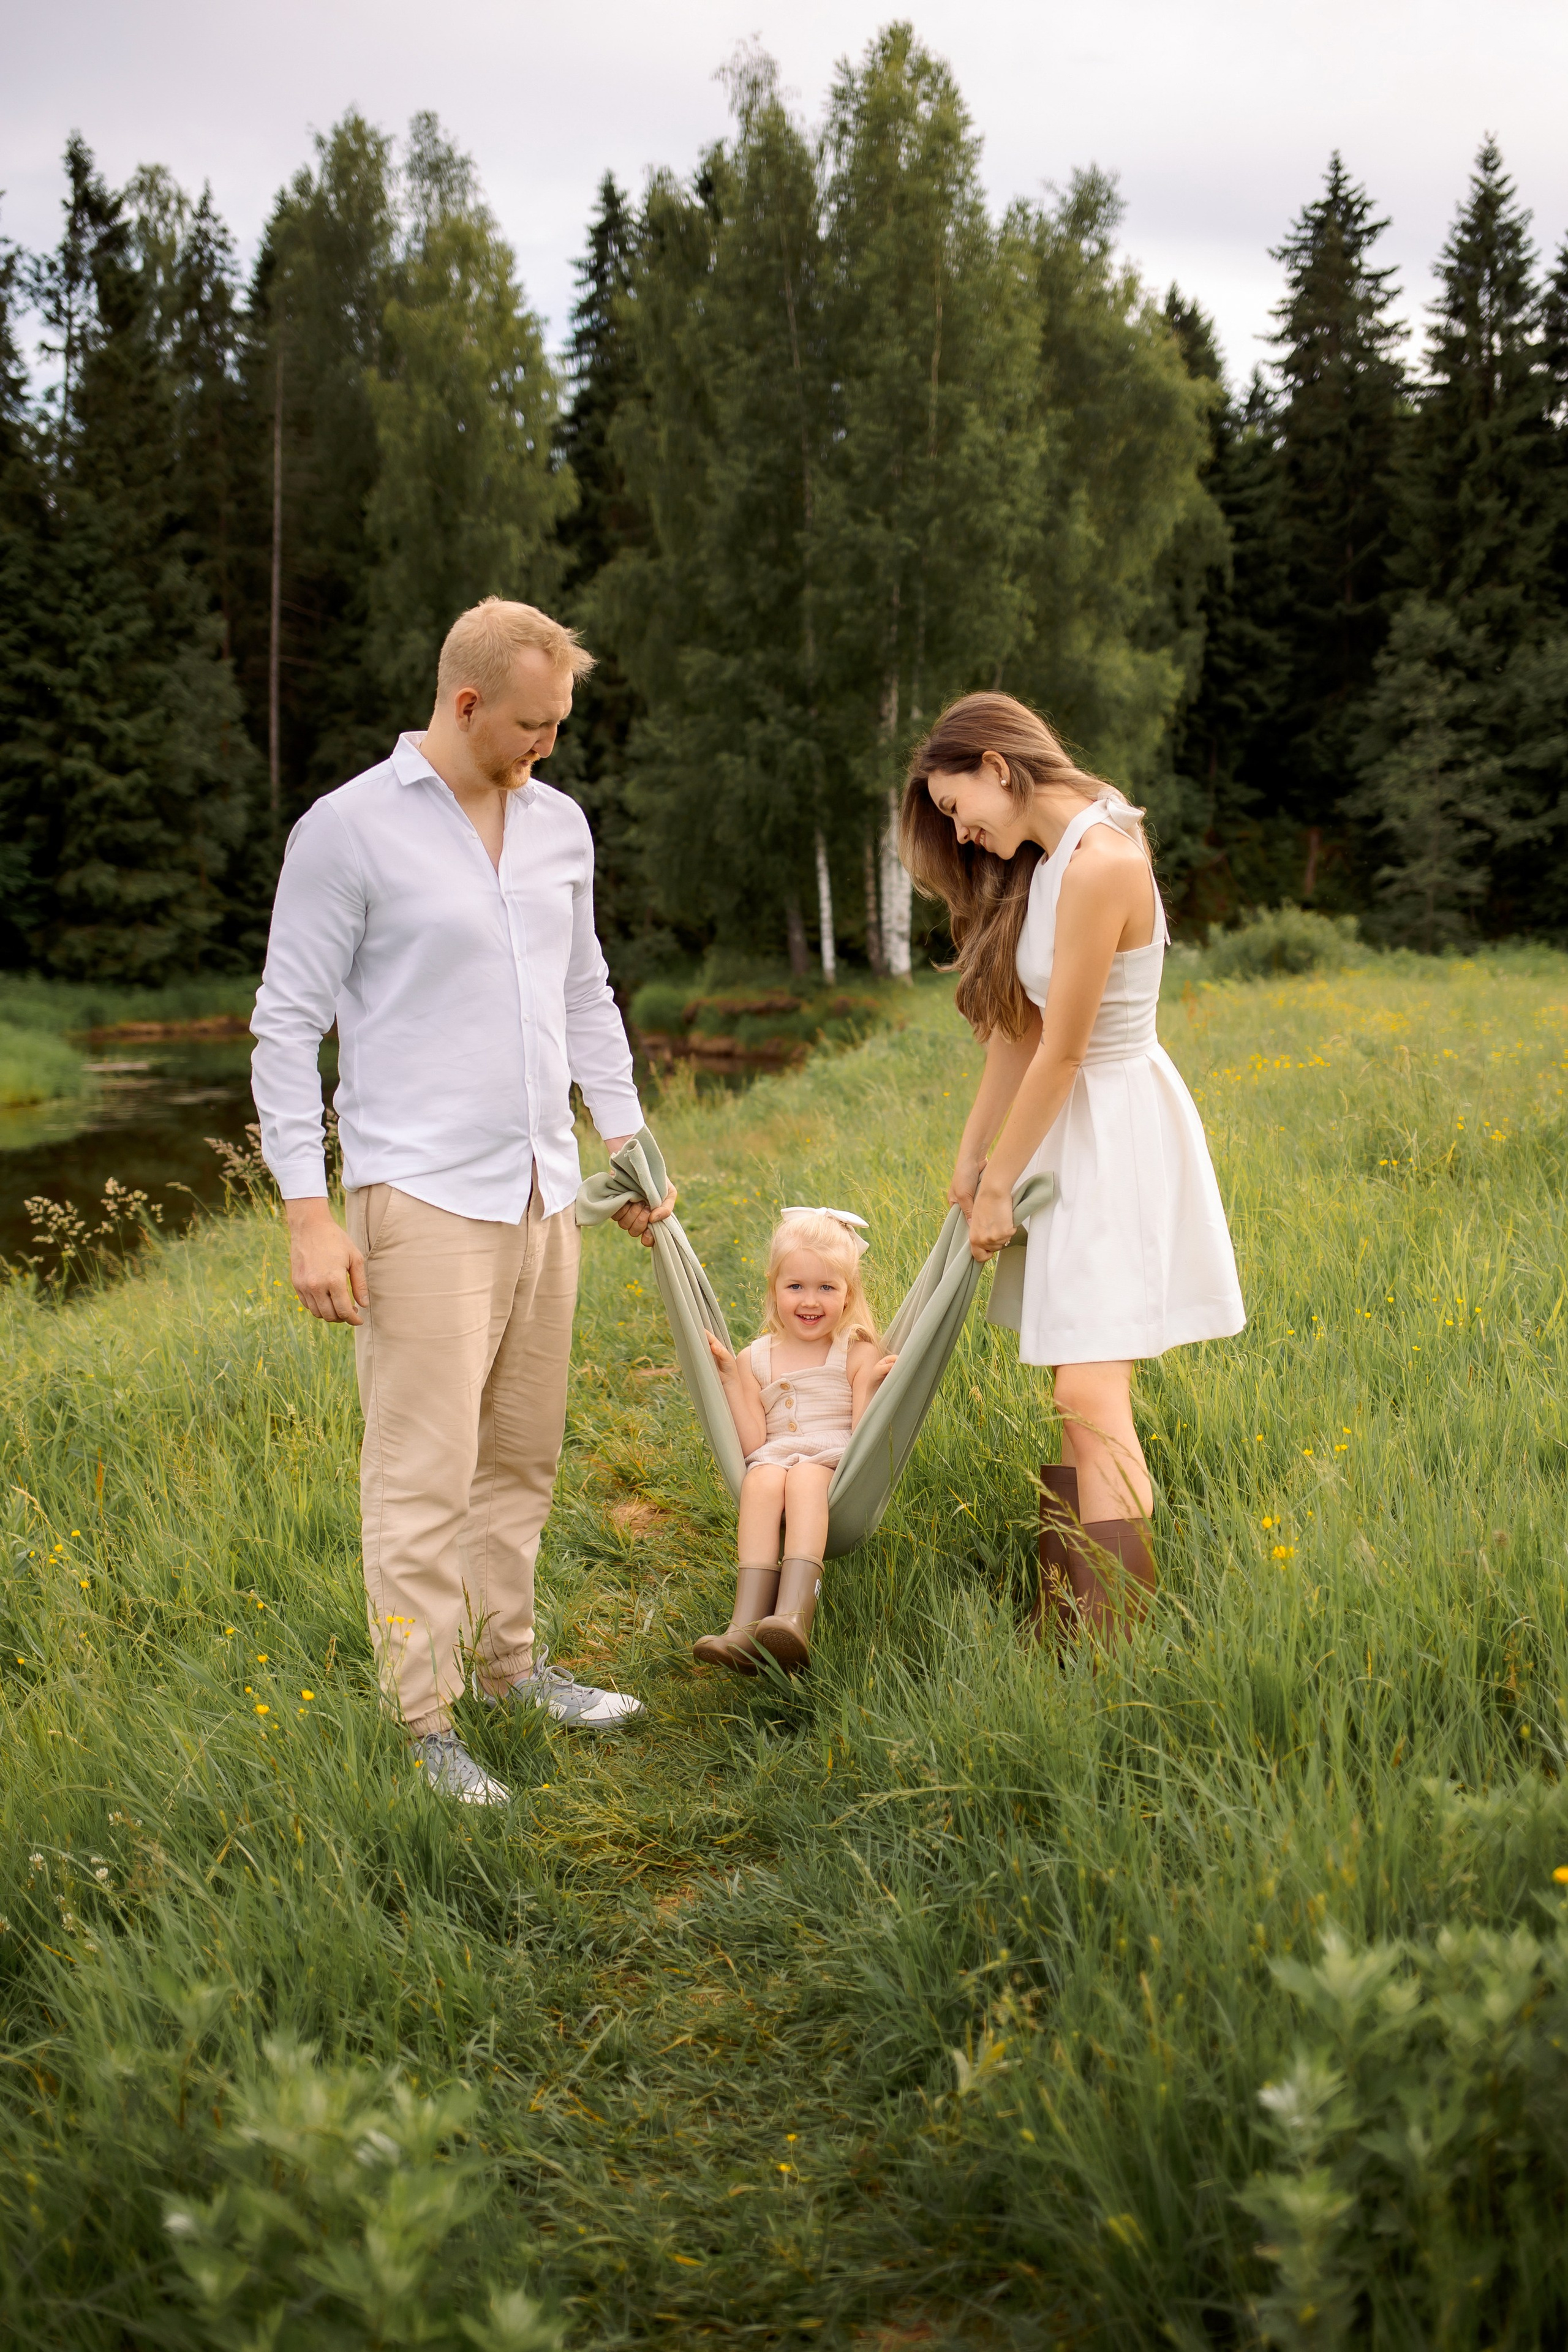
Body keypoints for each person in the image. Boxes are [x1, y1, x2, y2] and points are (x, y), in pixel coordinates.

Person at [251, 597, 674, 1804]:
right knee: (420, 1470)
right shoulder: (347, 832)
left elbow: (584, 992)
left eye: (561, 727)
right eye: (533, 727)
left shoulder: (558, 828)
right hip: (419, 1195)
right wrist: (305, 1212)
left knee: (520, 1457)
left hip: (545, 1190)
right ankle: (422, 1722)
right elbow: (285, 1029)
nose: (547, 747)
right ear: (468, 702)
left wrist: (628, 1147)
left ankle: (509, 1670)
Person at [900, 692, 1245, 1635]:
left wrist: (1005, 1181)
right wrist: (972, 1158)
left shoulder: (1104, 862)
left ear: (998, 767)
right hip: (1070, 1129)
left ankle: (1115, 1656)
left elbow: (1065, 1051)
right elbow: (1019, 1030)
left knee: (1090, 1392)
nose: (959, 830)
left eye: (957, 804)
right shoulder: (1049, 865)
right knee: (1072, 1390)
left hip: (1115, 1130)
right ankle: (1071, 1621)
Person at [696, 1208, 896, 1673]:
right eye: (796, 1287)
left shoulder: (856, 1348)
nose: (811, 1301)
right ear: (775, 1289)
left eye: (827, 1287)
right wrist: (729, 1379)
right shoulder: (755, 1357)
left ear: (849, 1295)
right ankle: (744, 1626)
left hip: (832, 1462)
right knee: (761, 1480)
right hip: (775, 1458)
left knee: (805, 1478)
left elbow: (867, 1437)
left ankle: (793, 1616)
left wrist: (869, 1387)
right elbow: (752, 1443)